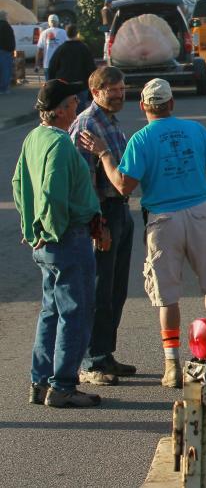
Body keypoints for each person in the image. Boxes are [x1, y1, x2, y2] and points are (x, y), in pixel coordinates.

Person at [79, 78, 206, 389]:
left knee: (167, 297)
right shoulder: (196, 130)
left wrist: (106, 155)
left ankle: (172, 365)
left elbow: (123, 186)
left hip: (163, 221)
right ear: (172, 104)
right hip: (201, 213)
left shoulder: (141, 139)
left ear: (144, 106)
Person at [14, 79, 107, 408]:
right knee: (76, 312)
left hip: (47, 240)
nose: (78, 106)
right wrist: (49, 227)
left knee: (52, 311)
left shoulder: (34, 138)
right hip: (66, 238)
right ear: (62, 109)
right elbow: (53, 192)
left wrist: (31, 225)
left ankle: (40, 382)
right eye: (73, 102)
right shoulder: (60, 143)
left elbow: (18, 183)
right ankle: (64, 386)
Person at [69, 67, 136, 386]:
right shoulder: (86, 124)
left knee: (115, 290)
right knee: (98, 291)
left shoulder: (110, 121)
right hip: (104, 214)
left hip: (121, 210)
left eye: (122, 89)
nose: (120, 94)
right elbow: (84, 183)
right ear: (95, 91)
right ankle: (91, 361)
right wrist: (99, 225)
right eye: (114, 90)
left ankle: (105, 353)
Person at [48, 24, 97, 112]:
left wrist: (52, 86)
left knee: (65, 112)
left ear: (66, 34)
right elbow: (91, 68)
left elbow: (52, 67)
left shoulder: (61, 49)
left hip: (64, 86)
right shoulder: (84, 48)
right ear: (77, 33)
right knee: (79, 114)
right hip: (80, 86)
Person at [36, 14, 68, 80]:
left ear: (49, 23)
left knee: (49, 86)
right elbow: (68, 48)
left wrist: (37, 64)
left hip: (47, 64)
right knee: (60, 85)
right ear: (58, 22)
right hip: (60, 64)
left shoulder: (44, 33)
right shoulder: (63, 33)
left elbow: (39, 50)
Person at [0, 9, 14, 94]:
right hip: (5, 51)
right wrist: (12, 49)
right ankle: (3, 88)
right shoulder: (7, 26)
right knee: (5, 70)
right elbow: (10, 40)